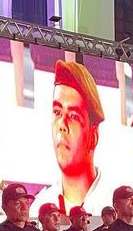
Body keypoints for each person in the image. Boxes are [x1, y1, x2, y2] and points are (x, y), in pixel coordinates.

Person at [34, 60, 110, 214]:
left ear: (93, 136)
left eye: (74, 116)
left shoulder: (112, 202)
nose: (62, 124)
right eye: (57, 112)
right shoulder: (39, 206)